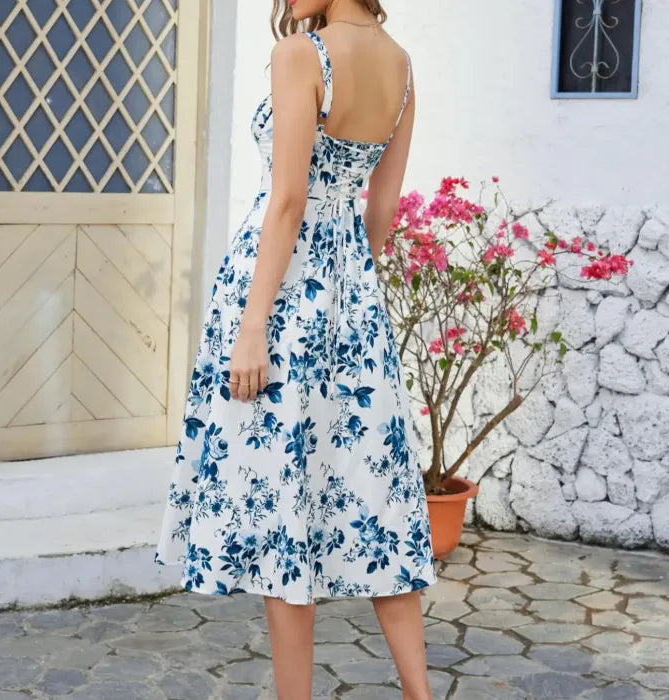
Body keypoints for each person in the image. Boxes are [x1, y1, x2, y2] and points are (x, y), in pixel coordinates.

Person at [155, 0, 437, 697]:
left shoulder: (301, 55)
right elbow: (381, 210)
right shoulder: (401, 65)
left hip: (280, 298)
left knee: (287, 508)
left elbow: (287, 200)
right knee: (377, 497)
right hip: (353, 301)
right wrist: (349, 292)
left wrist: (255, 325)